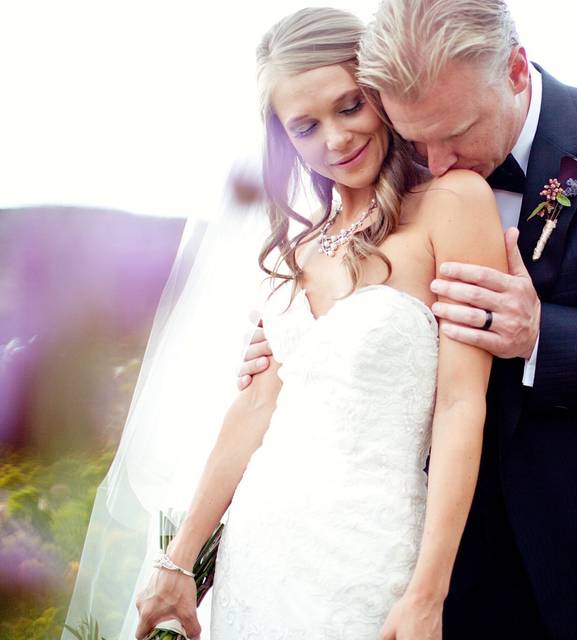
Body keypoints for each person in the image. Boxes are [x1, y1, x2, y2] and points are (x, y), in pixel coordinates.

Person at [237, 1, 577, 638]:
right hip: (456, 561)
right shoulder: (389, 160)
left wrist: (542, 337)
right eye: (412, 136)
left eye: (456, 134)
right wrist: (298, 341)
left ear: (514, 70)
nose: (435, 161)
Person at [128, 7, 507, 639]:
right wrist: (178, 560)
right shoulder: (297, 253)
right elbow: (253, 413)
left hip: (372, 553)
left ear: (382, 93)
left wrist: (427, 592)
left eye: (350, 106)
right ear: (284, 139)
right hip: (263, 543)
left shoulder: (453, 203)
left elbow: (461, 406)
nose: (335, 139)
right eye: (306, 126)